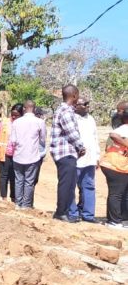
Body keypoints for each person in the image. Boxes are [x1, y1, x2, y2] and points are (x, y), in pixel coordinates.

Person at [50, 85, 86, 222]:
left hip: (66, 152)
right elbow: (71, 132)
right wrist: (81, 147)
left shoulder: (64, 110)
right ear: (74, 96)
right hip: (65, 153)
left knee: (69, 183)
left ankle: (64, 212)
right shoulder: (65, 111)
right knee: (66, 183)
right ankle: (61, 212)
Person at [68, 97, 100, 222]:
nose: (87, 106)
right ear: (76, 106)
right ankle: (73, 213)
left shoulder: (91, 119)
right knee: (71, 187)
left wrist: (97, 156)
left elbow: (95, 138)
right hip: (75, 159)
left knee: (89, 186)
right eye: (84, 104)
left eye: (88, 103)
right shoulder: (71, 119)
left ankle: (88, 215)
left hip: (90, 160)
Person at [10, 101, 47, 208]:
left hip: (18, 155)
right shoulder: (40, 122)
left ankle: (18, 203)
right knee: (29, 182)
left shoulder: (16, 122)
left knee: (18, 181)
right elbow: (43, 139)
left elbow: (13, 140)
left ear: (24, 109)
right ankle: (26, 205)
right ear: (34, 109)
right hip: (32, 156)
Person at [99, 111, 128, 229]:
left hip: (122, 166)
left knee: (124, 194)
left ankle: (123, 219)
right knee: (116, 193)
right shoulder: (124, 128)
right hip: (114, 165)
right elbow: (113, 134)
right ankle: (113, 221)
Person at [0, 105, 22, 202]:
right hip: (3, 153)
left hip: (16, 155)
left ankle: (13, 197)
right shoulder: (4, 122)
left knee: (14, 177)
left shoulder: (21, 124)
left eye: (16, 115)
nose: (14, 117)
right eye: (12, 115)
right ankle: (4, 197)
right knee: (4, 176)